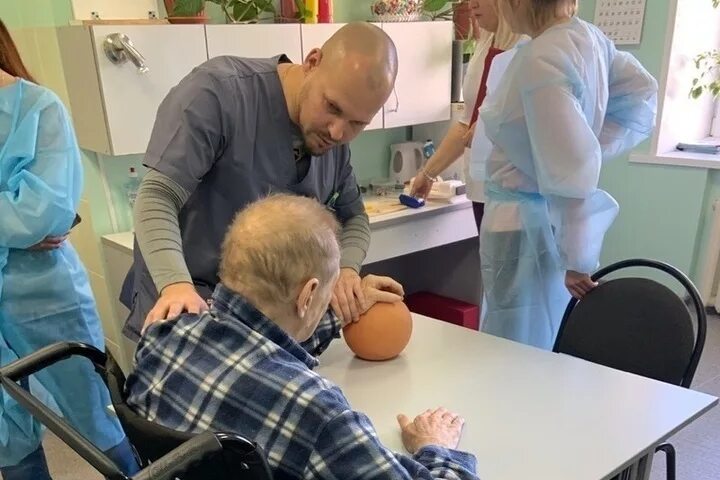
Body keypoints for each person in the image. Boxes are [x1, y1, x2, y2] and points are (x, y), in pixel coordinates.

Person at [125, 194, 479, 480]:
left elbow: (260, 341)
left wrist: (342, 312)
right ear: (308, 296)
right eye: (327, 293)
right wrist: (436, 447)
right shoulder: (320, 415)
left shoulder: (164, 336)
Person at [120, 22, 399, 341]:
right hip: (186, 304)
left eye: (357, 123)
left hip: (263, 326)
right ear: (312, 62)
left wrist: (346, 271)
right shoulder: (219, 93)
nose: (338, 132)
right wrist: (175, 285)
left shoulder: (332, 140)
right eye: (332, 108)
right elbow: (156, 197)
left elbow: (354, 218)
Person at [475, 0, 658, 349]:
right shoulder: (589, 39)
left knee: (513, 342)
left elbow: (570, 167)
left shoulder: (542, 59)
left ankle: (514, 402)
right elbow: (641, 93)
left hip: (519, 224)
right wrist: (592, 142)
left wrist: (579, 257)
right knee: (543, 332)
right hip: (541, 218)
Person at [0, 19, 138, 478]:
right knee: (6, 436)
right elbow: (22, 218)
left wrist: (25, 219)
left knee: (96, 413)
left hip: (44, 294)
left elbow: (42, 212)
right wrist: (13, 219)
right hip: (30, 273)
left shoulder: (38, 108)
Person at [410, 0, 523, 230]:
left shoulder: (528, 47)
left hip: (515, 190)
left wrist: (484, 127)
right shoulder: (486, 43)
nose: (471, 5)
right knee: (490, 265)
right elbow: (467, 124)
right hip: (480, 187)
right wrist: (428, 173)